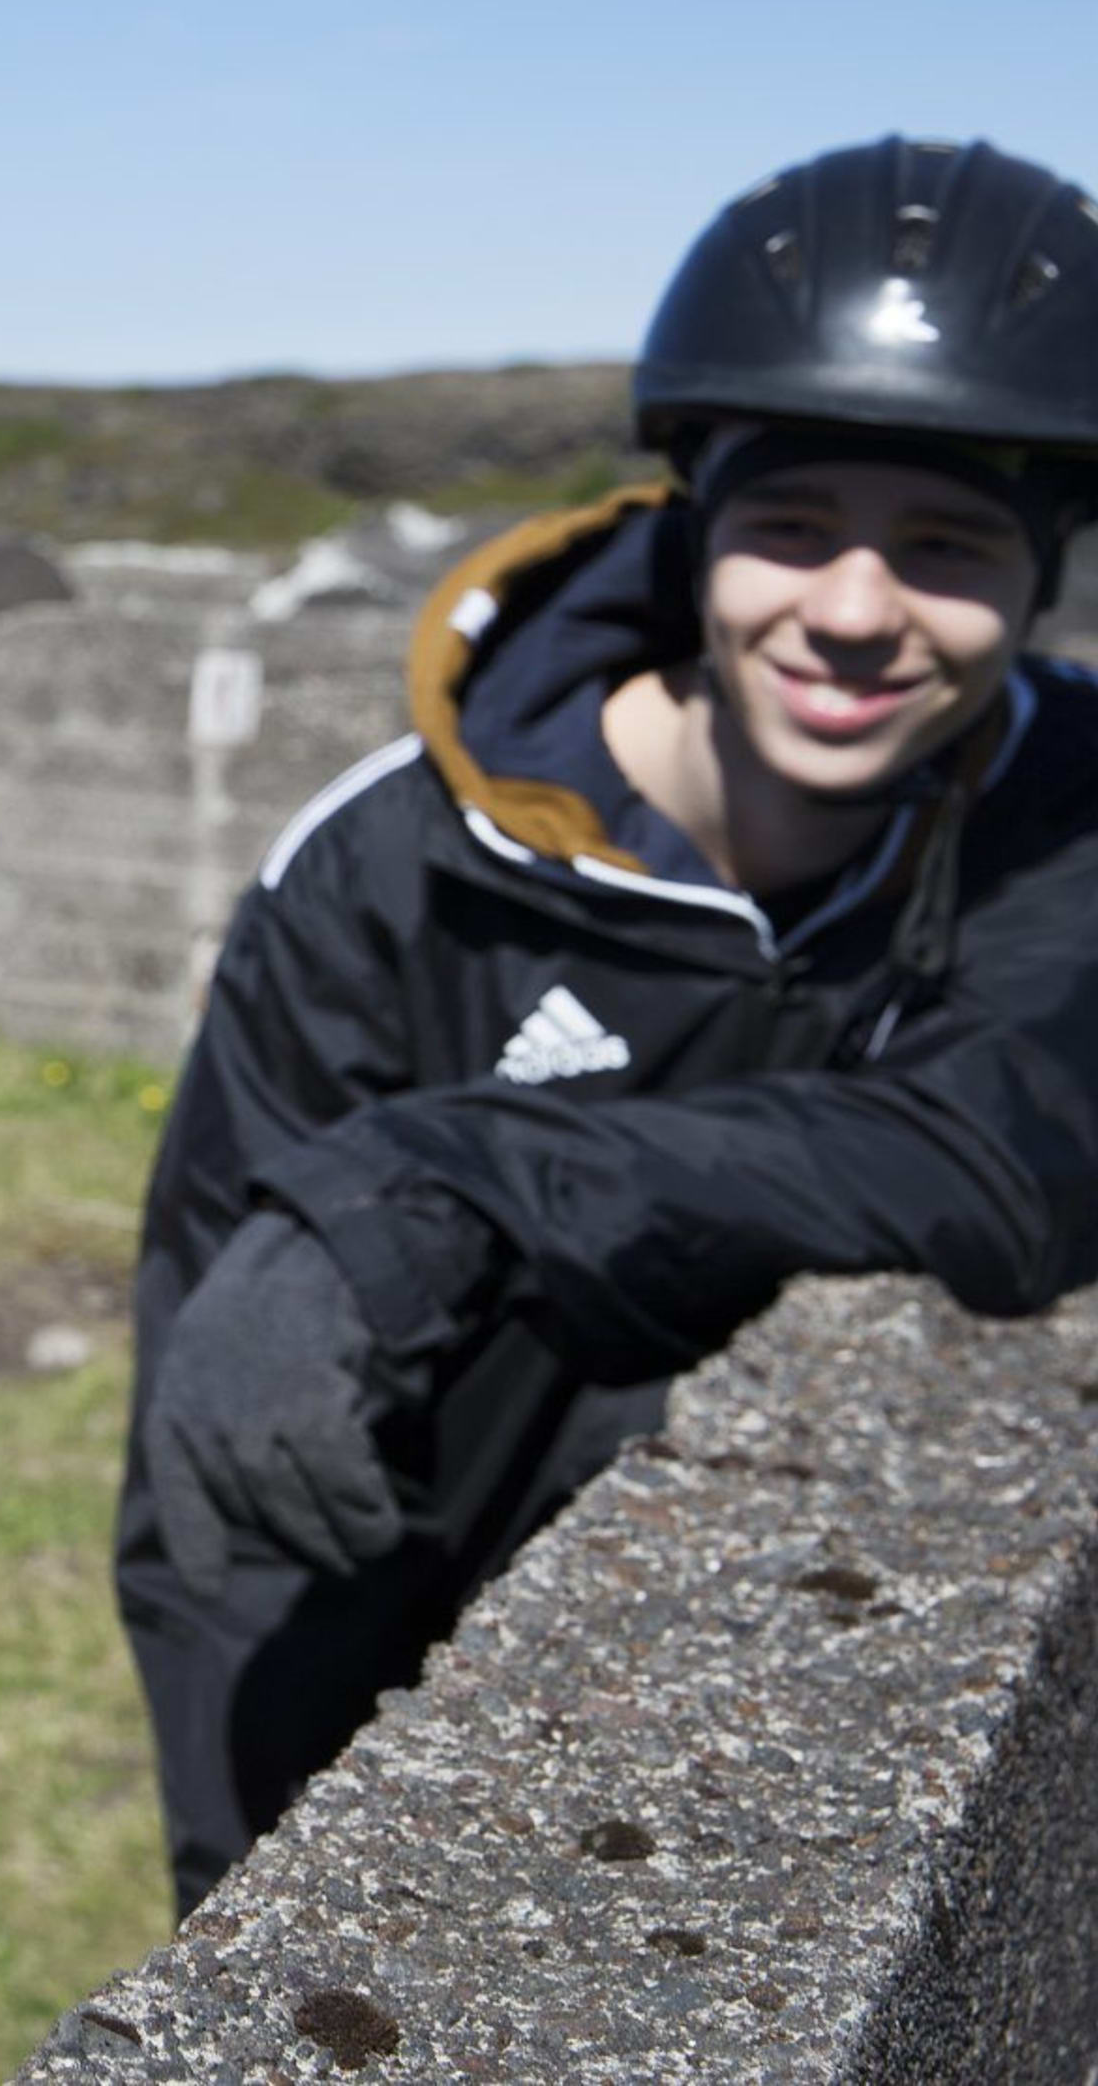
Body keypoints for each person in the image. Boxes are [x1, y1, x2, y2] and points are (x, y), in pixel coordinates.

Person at [116, 135, 1098, 1915]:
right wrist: (278, 1882)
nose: (858, 612)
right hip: (435, 1670)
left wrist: (457, 1175)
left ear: (1046, 580)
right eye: (793, 527)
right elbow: (242, 1429)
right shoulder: (396, 871)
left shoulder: (1071, 813)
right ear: (692, 524)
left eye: (948, 546)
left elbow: (1008, 1147)